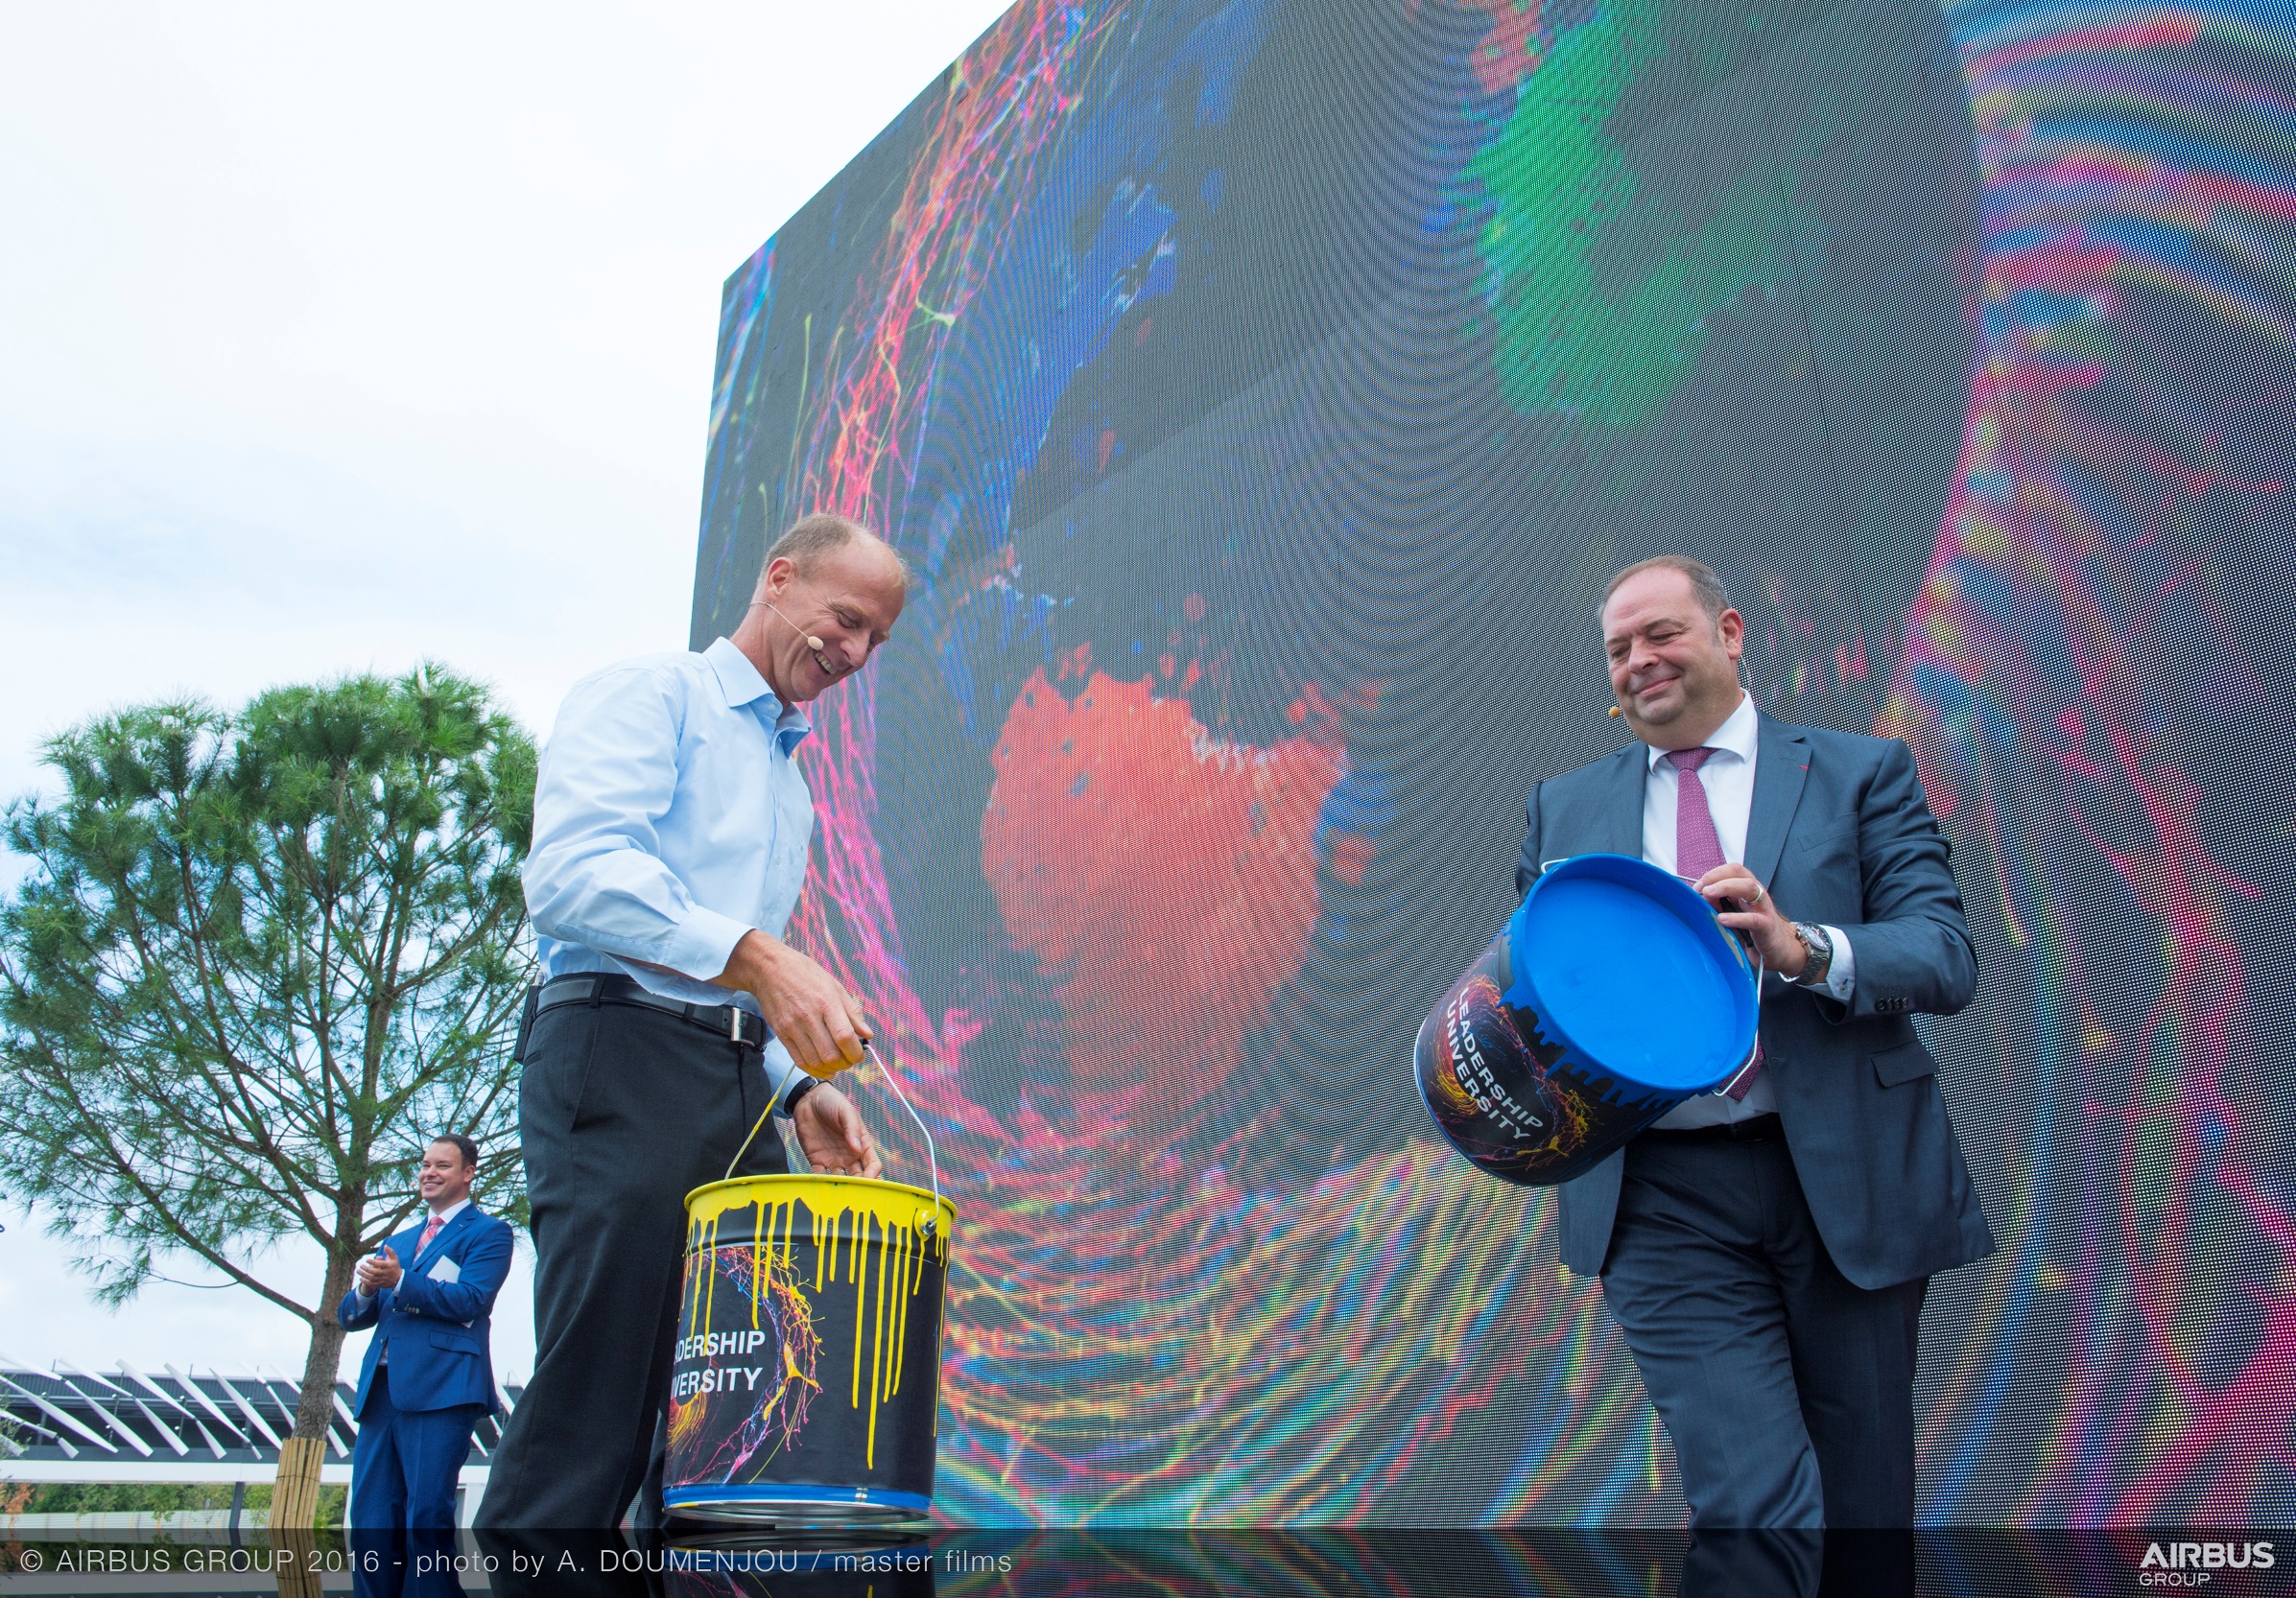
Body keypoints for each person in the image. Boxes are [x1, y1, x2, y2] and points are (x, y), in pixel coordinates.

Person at [1514, 555, 1994, 1529]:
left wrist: (1800, 947)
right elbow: (1537, 1000)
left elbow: (1942, 953)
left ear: (1729, 633)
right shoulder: (1560, 811)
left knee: (1862, 1506)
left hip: (1846, 1186)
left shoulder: (1860, 772)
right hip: (1659, 1199)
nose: (1637, 660)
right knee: (1752, 1503)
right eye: (1616, 649)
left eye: (1660, 634)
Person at [477, 513, 905, 1531]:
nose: (852, 652)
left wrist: (797, 1091)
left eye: (874, 640)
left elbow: (728, 988)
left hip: (729, 1091)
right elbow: (574, 878)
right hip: (618, 1057)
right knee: (601, 1391)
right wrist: (760, 957)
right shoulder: (651, 693)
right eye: (844, 619)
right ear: (778, 578)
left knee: (717, 1406)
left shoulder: (788, 787)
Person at [341, 1134, 515, 1533]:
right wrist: (367, 1289)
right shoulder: (397, 1242)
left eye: (441, 1165)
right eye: (424, 1165)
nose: (428, 1173)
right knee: (370, 1520)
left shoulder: (489, 1233)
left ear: (468, 1173)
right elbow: (351, 1318)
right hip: (381, 1391)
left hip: (442, 1388)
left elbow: (472, 1299)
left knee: (425, 1517)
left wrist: (400, 1280)